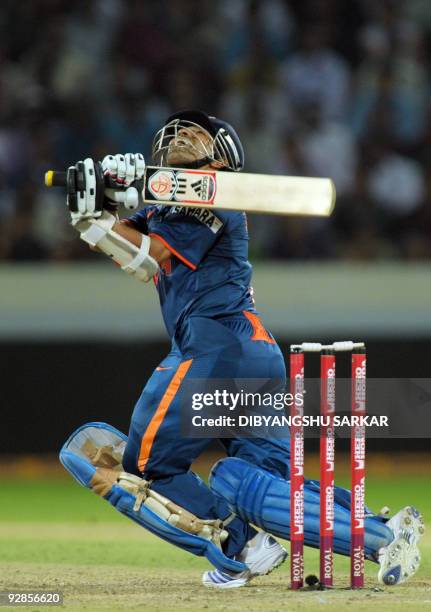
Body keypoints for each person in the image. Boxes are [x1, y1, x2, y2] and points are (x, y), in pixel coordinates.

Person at [60, 110, 424, 588]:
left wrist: (92, 218)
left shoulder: (214, 193)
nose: (182, 134)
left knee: (148, 464)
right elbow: (131, 249)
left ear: (223, 156)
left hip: (217, 348)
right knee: (250, 483)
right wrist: (103, 200)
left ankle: (241, 546)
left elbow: (150, 257)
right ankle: (382, 535)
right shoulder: (166, 207)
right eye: (178, 129)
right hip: (254, 358)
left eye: (196, 132)